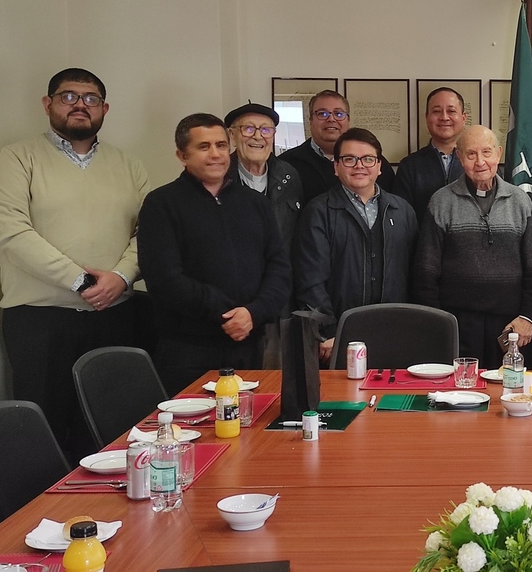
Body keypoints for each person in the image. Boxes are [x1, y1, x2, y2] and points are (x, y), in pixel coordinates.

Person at [0, 68, 149, 459]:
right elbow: (12, 233)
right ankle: (47, 518)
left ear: (104, 108)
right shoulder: (17, 158)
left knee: (115, 429)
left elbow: (151, 233)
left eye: (90, 98)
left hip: (114, 314)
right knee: (46, 431)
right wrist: (80, 280)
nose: (80, 105)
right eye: (68, 96)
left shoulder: (129, 166)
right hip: (41, 321)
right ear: (48, 104)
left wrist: (121, 278)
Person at [138, 113, 291, 394]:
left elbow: (279, 268)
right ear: (182, 155)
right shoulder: (161, 204)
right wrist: (226, 314)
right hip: (188, 350)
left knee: (249, 430)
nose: (216, 155)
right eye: (204, 147)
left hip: (249, 344)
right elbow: (164, 278)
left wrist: (252, 313)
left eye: (221, 145)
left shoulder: (256, 203)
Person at [415, 126, 532, 366]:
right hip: (457, 324)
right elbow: (426, 271)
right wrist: (438, 323)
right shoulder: (441, 201)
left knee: (509, 392)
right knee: (461, 396)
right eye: (471, 154)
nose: (480, 162)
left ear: (498, 154)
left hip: (511, 324)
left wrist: (528, 317)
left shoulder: (520, 201)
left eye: (486, 152)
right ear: (459, 157)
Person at [294, 127, 418, 367]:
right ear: (336, 166)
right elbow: (309, 279)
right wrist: (326, 331)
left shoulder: (402, 211)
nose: (359, 165)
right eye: (349, 159)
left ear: (380, 166)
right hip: (338, 336)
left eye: (368, 159)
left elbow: (414, 273)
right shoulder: (319, 212)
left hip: (394, 330)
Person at [224, 101, 303, 368]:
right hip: (233, 308)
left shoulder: (289, 176)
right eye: (248, 128)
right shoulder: (218, 177)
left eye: (266, 130)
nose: (257, 136)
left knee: (276, 383)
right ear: (232, 135)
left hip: (280, 303)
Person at [278, 89, 394, 204]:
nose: (331, 119)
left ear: (348, 120)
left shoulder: (375, 165)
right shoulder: (286, 164)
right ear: (310, 120)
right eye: (322, 114)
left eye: (338, 114)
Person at [393, 87, 467, 223]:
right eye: (437, 111)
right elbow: (402, 220)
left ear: (463, 118)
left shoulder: (479, 164)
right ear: (427, 118)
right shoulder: (410, 166)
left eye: (451, 111)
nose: (444, 117)